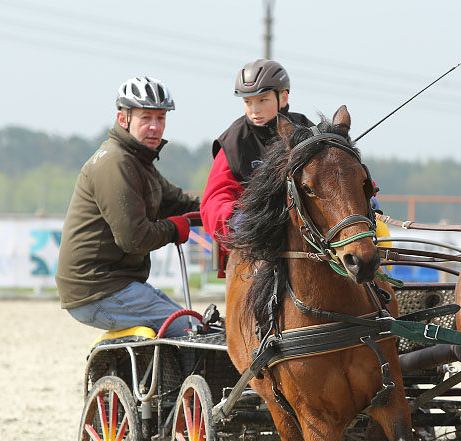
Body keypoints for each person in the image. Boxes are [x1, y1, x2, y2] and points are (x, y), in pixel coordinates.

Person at [56, 76, 200, 340]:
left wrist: (232, 207)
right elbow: (134, 238)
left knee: (197, 324)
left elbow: (181, 203)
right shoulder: (116, 163)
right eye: (145, 118)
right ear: (123, 119)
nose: (155, 127)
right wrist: (173, 228)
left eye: (161, 118)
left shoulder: (138, 161)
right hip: (97, 290)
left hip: (115, 285)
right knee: (190, 331)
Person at [200, 59, 314, 244]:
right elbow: (214, 201)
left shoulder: (307, 131)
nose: (254, 110)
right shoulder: (233, 142)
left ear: (283, 98)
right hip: (256, 243)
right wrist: (238, 220)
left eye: (262, 100)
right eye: (248, 102)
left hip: (310, 240)